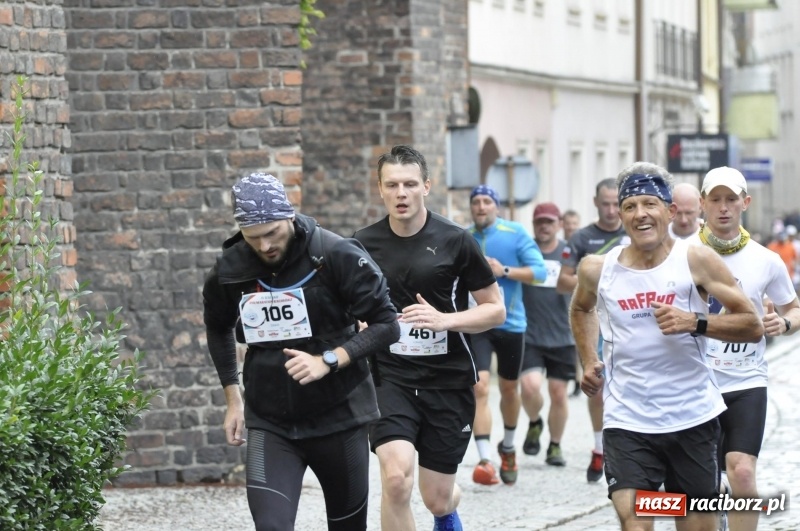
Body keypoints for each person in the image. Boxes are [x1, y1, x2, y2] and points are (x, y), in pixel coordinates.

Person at [202, 173, 401, 531]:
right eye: (253, 237)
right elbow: (218, 327)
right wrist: (233, 398)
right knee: (271, 526)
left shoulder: (335, 254)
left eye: (272, 233)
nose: (265, 246)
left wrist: (329, 360)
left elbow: (387, 325)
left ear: (289, 216)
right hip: (270, 421)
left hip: (340, 417)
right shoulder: (230, 267)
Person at [572, 162, 764, 531]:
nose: (640, 214)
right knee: (635, 520)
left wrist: (695, 322)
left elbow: (752, 325)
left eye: (650, 204)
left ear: (670, 211)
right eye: (630, 206)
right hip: (627, 419)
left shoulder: (696, 260)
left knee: (693, 523)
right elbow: (581, 307)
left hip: (692, 417)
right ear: (621, 215)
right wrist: (589, 358)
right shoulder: (597, 269)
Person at [353, 145, 505, 531]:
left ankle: (448, 508)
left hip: (446, 380)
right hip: (390, 378)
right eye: (392, 185)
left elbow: (495, 310)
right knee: (395, 479)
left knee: (436, 497)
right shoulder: (361, 244)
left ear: (426, 186)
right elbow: (345, 307)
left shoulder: (456, 240)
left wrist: (445, 320)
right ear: (380, 189)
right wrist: (358, 326)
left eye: (409, 184)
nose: (401, 193)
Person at [690, 166, 800, 531]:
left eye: (731, 199)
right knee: (702, 479)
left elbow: (793, 309)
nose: (723, 208)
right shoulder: (683, 255)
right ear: (703, 203)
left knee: (742, 472)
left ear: (745, 203)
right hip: (695, 381)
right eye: (715, 200)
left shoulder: (766, 259)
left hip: (746, 380)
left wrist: (784, 324)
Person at [467, 185, 547, 486]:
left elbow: (540, 273)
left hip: (510, 323)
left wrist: (506, 271)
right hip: (477, 324)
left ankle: (509, 447)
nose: (481, 207)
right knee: (479, 386)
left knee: (510, 389)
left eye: (487, 201)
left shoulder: (515, 233)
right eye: (476, 202)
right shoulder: (464, 237)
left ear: (496, 206)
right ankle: (485, 459)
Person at [556, 177, 629, 482]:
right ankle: (599, 448)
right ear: (596, 203)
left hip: (630, 320)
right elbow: (563, 281)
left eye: (616, 204)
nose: (611, 210)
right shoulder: (582, 238)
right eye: (606, 204)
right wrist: (598, 280)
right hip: (595, 322)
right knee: (597, 385)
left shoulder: (634, 234)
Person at [519, 202, 576, 467]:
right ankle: (534, 421)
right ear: (533, 225)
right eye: (540, 222)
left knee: (558, 393)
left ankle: (555, 445)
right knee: (530, 387)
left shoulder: (569, 252)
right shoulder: (525, 251)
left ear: (559, 224)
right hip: (529, 333)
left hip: (563, 334)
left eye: (549, 222)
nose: (544, 227)